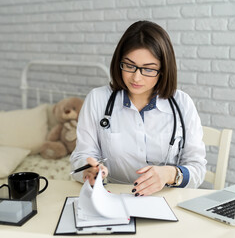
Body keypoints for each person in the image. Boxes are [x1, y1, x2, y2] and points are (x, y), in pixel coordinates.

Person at [70, 20, 206, 196]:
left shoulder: (183, 103)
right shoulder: (97, 99)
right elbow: (82, 155)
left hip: (165, 198)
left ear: (163, 70)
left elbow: (197, 168)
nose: (136, 77)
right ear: (119, 62)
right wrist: (89, 170)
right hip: (112, 196)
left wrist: (170, 174)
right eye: (129, 65)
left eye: (148, 69)